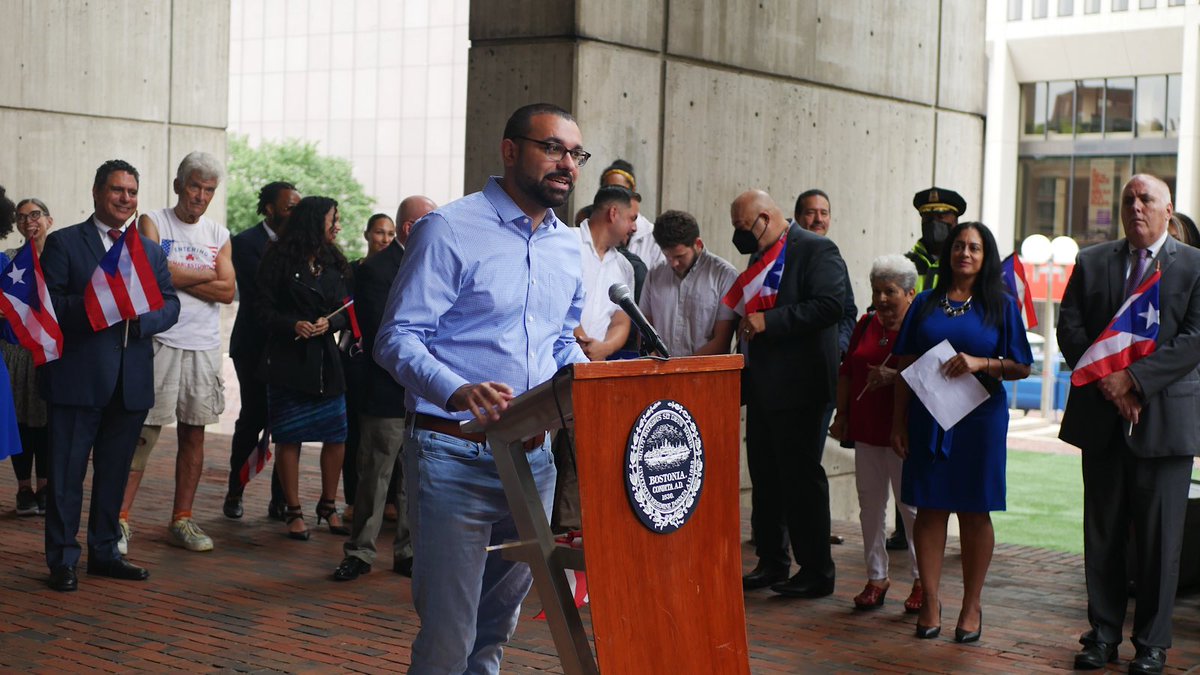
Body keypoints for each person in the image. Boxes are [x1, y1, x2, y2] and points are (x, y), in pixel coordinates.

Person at [374, 102, 589, 675]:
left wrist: (592, 380)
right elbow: (396, 339)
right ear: (511, 150)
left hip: (533, 463)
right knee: (450, 638)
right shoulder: (450, 229)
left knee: (496, 631)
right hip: (453, 457)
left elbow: (559, 342)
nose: (566, 163)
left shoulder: (569, 247)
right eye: (553, 148)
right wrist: (457, 388)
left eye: (575, 153)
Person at [1058, 174, 1200, 674]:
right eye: (1129, 199)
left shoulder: (1195, 267)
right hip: (1101, 421)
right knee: (1103, 534)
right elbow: (1070, 327)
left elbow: (1194, 338)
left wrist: (1134, 380)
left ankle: (1152, 645)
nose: (1136, 206)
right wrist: (1108, 382)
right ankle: (1101, 635)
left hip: (1166, 425)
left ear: (1168, 209)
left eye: (1147, 199)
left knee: (1162, 542)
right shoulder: (1092, 261)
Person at [39, 160, 180, 591]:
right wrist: (100, 309)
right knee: (66, 475)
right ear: (98, 193)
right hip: (78, 379)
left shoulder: (150, 251)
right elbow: (52, 305)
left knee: (114, 474)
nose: (125, 199)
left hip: (130, 381)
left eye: (132, 192)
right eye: (117, 190)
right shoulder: (64, 243)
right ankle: (62, 559)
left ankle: (105, 552)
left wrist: (140, 323)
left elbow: (170, 305)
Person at [890, 222, 1032, 643]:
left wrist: (981, 363)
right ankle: (930, 600)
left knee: (974, 510)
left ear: (986, 255)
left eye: (973, 247)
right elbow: (903, 364)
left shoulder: (1001, 305)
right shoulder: (926, 303)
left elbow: (1022, 366)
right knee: (929, 509)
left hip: (980, 420)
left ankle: (972, 606)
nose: (964, 253)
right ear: (948, 253)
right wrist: (898, 423)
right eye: (958, 246)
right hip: (929, 415)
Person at [728, 189, 847, 599]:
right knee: (764, 477)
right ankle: (772, 560)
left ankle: (816, 570)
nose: (740, 236)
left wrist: (771, 322)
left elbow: (831, 305)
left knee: (800, 480)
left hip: (803, 387)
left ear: (765, 216)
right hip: (763, 386)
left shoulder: (816, 250)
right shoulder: (760, 254)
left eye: (744, 227)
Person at [118, 151, 234, 554]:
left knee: (194, 432)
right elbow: (149, 273)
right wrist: (204, 275)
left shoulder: (219, 234)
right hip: (161, 341)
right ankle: (119, 519)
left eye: (208, 189)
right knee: (143, 432)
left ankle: (182, 519)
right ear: (178, 186)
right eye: (194, 186)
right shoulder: (153, 221)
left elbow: (229, 290)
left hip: (204, 347)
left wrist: (174, 274)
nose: (200, 196)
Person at [332, 195, 435, 582]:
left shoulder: (435, 262)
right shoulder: (376, 269)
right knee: (375, 475)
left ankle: (407, 551)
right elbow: (383, 333)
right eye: (431, 220)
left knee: (415, 479)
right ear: (410, 228)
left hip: (426, 394)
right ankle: (360, 551)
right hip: (388, 389)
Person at [828, 254, 921, 613]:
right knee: (870, 506)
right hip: (867, 430)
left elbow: (930, 374)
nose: (882, 299)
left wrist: (894, 378)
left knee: (910, 509)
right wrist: (842, 414)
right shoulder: (866, 323)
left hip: (903, 433)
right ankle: (876, 577)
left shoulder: (920, 328)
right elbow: (847, 371)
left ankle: (920, 580)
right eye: (877, 291)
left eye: (891, 292)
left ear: (910, 293)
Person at [257, 195, 352, 541]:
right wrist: (292, 324)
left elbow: (347, 307)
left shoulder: (335, 262)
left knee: (337, 435)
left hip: (328, 362)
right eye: (332, 220)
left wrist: (333, 323)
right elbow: (261, 311)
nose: (337, 226)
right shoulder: (277, 258)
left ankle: (328, 505)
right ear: (314, 223)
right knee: (289, 435)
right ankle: (293, 511)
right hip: (288, 363)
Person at [887, 186, 966, 553]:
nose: (935, 225)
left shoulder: (963, 267)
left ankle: (958, 525)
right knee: (913, 456)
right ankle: (908, 529)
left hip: (955, 372)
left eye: (943, 219)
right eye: (928, 219)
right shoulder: (907, 265)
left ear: (955, 222)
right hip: (914, 369)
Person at [224, 181, 301, 520]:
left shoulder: (300, 245)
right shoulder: (245, 243)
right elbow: (263, 293)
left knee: (285, 421)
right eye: (289, 206)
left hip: (288, 348)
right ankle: (234, 490)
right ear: (269, 208)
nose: (295, 213)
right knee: (253, 417)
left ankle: (280, 500)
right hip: (254, 346)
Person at [340, 213, 397, 523]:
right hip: (355, 357)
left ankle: (390, 501)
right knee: (356, 433)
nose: (384, 239)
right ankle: (352, 498)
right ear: (366, 234)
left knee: (388, 440)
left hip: (386, 362)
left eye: (389, 233)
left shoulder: (400, 271)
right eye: (379, 232)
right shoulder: (353, 271)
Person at [4, 197, 53, 515]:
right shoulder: (8, 260)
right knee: (20, 421)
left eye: (35, 215)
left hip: (47, 351)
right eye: (22, 218)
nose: (28, 221)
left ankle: (46, 486)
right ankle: (24, 490)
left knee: (46, 422)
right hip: (14, 352)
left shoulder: (60, 258)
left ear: (49, 219)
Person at [639, 209, 738, 356]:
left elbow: (722, 340)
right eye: (667, 256)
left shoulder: (724, 275)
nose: (673, 263)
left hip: (706, 373)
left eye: (680, 256)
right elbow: (644, 327)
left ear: (697, 244)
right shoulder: (655, 274)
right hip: (659, 372)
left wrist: (683, 370)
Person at [574, 185, 637, 362]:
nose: (634, 228)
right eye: (631, 219)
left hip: (595, 365)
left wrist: (604, 348)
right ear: (613, 213)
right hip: (552, 364)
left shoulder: (624, 266)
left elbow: (621, 320)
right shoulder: (566, 242)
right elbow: (557, 304)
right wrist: (583, 347)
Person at [599, 159, 666, 271]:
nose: (615, 197)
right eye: (609, 190)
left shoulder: (653, 236)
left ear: (632, 192)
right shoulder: (595, 232)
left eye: (621, 190)